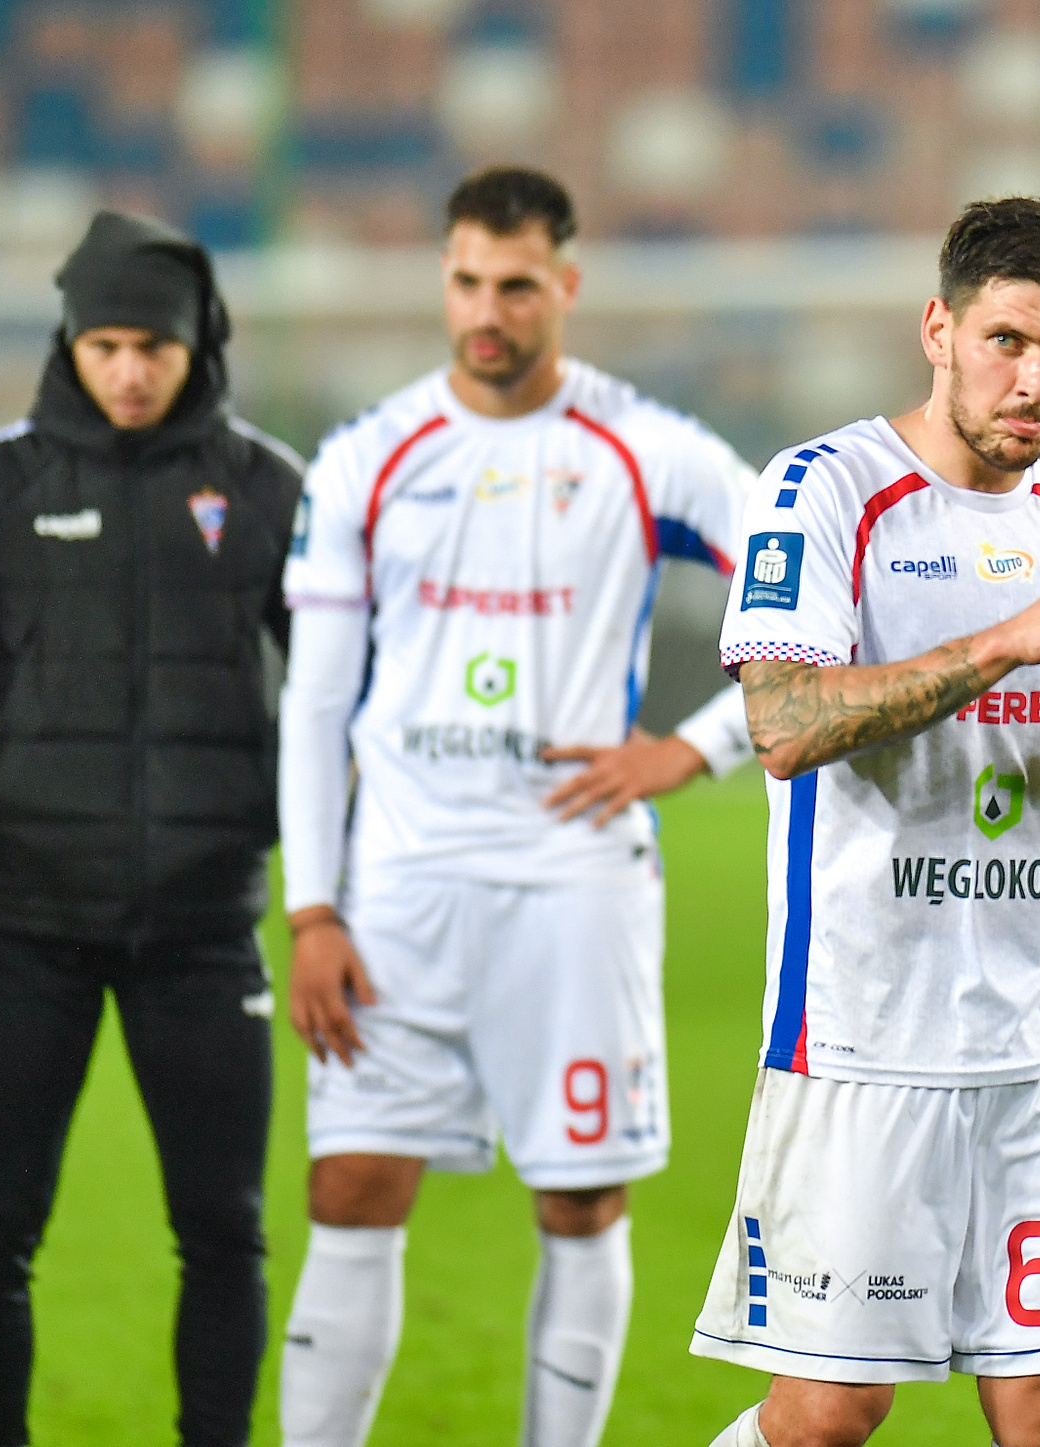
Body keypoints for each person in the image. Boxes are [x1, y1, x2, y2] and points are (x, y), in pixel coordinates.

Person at [693, 196, 1040, 1447]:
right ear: (938, 327)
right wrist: (1006, 642)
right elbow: (783, 723)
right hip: (868, 1034)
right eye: (1006, 340)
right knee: (827, 1414)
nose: (1035, 379)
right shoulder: (825, 492)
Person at [272, 167, 758, 1447]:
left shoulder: (648, 451)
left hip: (574, 887)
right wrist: (312, 905)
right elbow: (316, 703)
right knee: (350, 1185)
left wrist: (695, 748)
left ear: (567, 287)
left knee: (581, 1198)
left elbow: (815, 596)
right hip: (399, 888)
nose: (488, 311)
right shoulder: (368, 456)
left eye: (517, 286)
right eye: (468, 282)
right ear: (446, 278)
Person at [0, 211, 304, 1447]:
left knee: (223, 1232)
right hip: (21, 927)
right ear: (71, 339)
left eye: (150, 344)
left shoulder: (267, 488)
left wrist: (272, 807)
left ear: (195, 341)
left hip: (206, 930)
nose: (127, 369)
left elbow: (332, 690)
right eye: (103, 342)